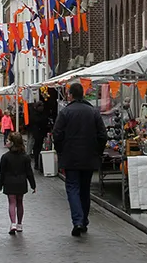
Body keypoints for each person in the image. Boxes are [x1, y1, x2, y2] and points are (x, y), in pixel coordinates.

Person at [53, 82, 107, 237]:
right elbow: (102, 135)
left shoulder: (65, 113)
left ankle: (78, 220)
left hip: (70, 158)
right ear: (83, 94)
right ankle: (83, 220)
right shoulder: (93, 112)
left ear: (70, 95)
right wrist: (97, 151)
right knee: (84, 189)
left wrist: (61, 151)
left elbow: (57, 134)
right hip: (89, 158)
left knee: (72, 188)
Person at [0, 132, 37, 235]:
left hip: (9, 182)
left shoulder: (5, 157)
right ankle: (19, 224)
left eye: (8, 140)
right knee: (20, 202)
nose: (6, 142)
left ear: (13, 143)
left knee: (12, 202)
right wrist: (33, 185)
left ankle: (13, 223)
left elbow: (1, 172)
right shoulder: (25, 157)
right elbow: (29, 172)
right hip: (21, 182)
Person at [28, 101, 49, 171]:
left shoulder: (34, 114)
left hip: (38, 133)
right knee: (38, 148)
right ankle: (38, 163)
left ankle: (38, 163)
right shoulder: (39, 115)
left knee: (37, 148)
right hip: (38, 133)